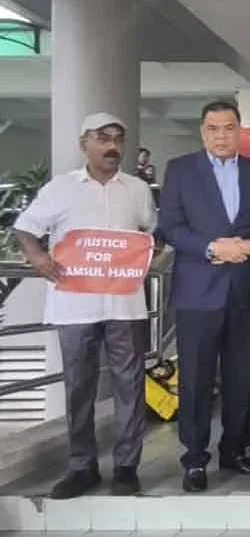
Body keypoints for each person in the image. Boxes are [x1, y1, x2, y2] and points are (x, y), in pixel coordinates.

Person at [13, 113, 156, 499]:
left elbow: (150, 232)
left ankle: (127, 467)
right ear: (84, 144)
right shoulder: (60, 189)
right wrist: (38, 258)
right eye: (102, 138)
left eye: (117, 138)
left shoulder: (137, 189)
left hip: (124, 304)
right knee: (79, 387)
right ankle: (82, 467)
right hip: (74, 305)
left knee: (130, 385)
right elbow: (25, 228)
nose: (112, 146)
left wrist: (145, 255)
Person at [158, 100, 250, 493]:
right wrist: (212, 247)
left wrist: (249, 247)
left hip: (245, 291)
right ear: (202, 131)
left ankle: (234, 449)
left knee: (242, 377)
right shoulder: (180, 170)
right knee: (195, 380)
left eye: (228, 127)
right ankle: (194, 459)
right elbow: (170, 227)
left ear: (239, 130)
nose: (221, 135)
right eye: (213, 128)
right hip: (198, 293)